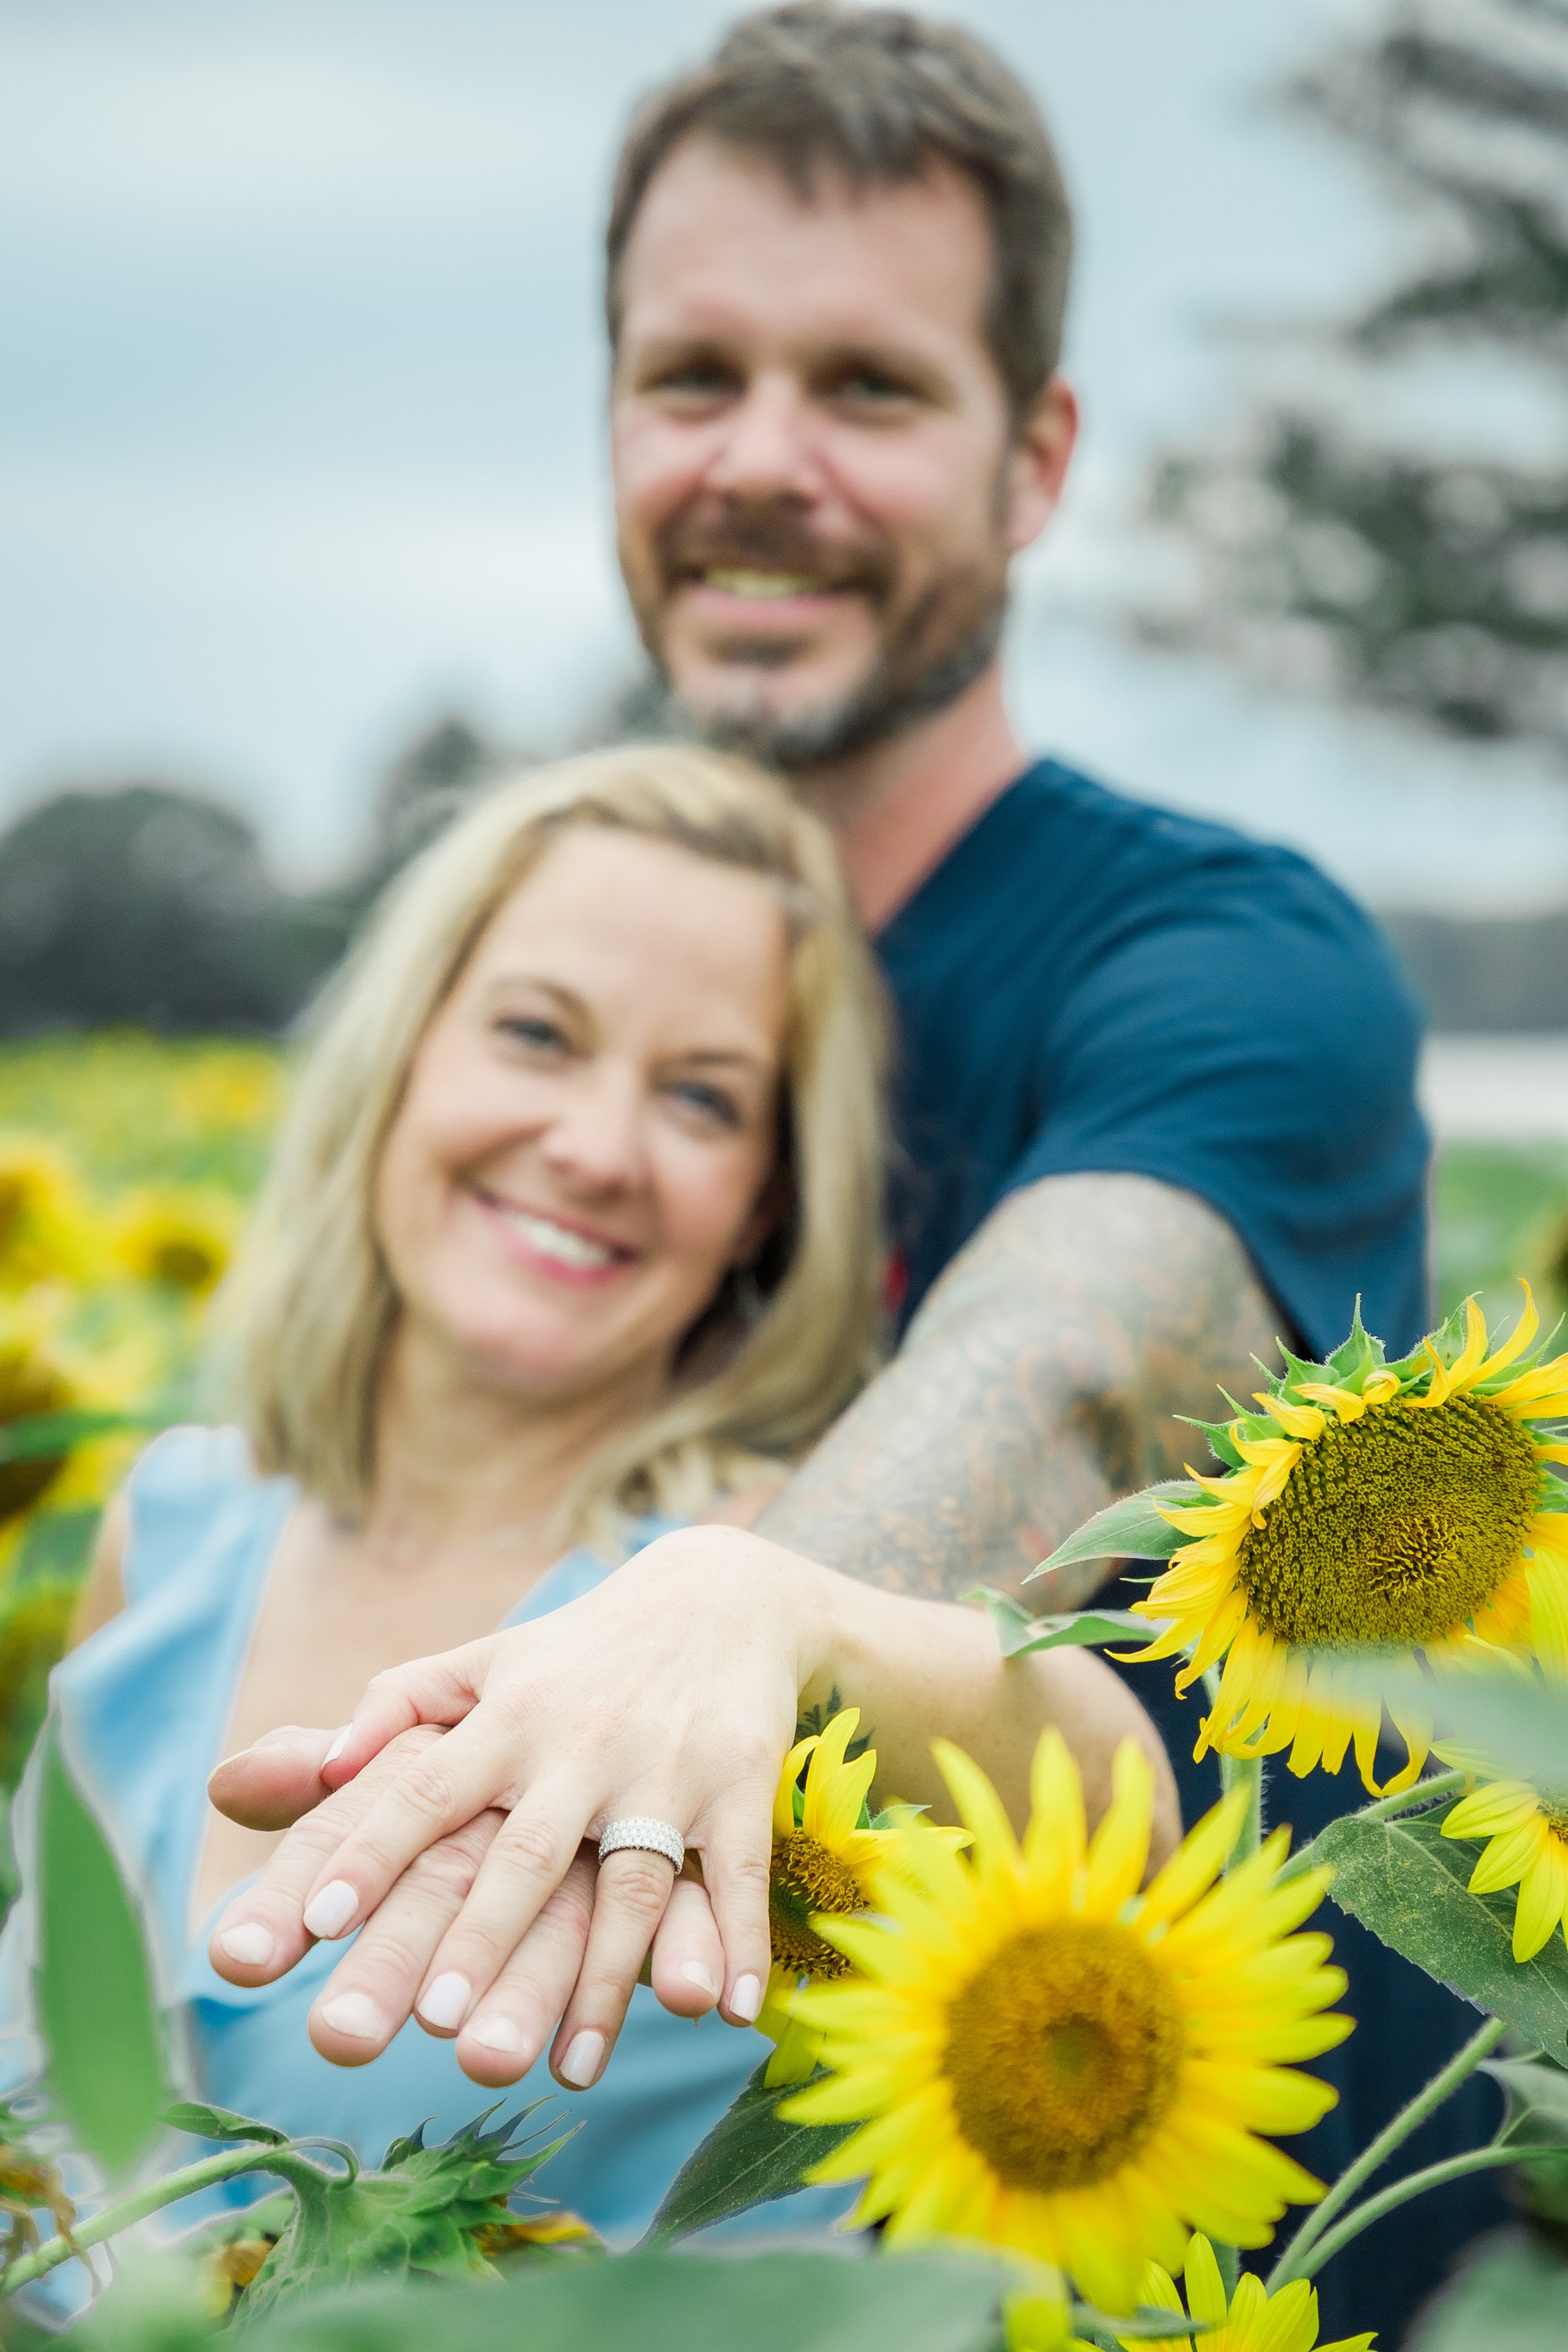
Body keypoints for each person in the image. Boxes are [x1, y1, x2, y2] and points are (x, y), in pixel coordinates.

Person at [208, 12, 1485, 2340]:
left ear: (1035, 457)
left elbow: (1073, 1350)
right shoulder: (586, 986)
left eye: (870, 391)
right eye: (692, 377)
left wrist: (739, 1604)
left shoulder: (1219, 961)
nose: (760, 464)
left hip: (1234, 2256)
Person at [0, 745, 1171, 2291]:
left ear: (766, 1195)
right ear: (403, 1052)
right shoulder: (174, 1518)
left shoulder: (766, 1582)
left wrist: (766, 1610)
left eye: (701, 1098)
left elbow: (1115, 1814)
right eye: (538, 1035)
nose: (598, 1148)